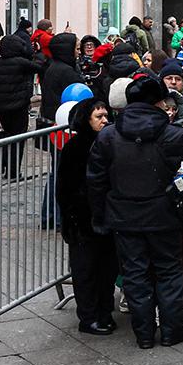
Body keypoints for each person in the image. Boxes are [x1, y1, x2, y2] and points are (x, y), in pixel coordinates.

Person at [87, 75, 183, 348]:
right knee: (170, 269)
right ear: (158, 102)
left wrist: (100, 214)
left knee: (135, 273)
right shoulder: (171, 133)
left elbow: (96, 179)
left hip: (125, 215)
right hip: (163, 213)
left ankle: (144, 332)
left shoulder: (109, 135)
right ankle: (172, 328)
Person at [56, 98, 118, 335]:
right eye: (98, 117)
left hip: (107, 217)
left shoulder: (111, 143)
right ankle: (89, 316)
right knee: (86, 270)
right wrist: (72, 219)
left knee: (107, 269)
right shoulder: (75, 148)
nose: (104, 120)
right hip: (83, 220)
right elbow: (64, 187)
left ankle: (104, 311)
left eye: (105, 116)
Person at [0, 33, 43, 178]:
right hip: (18, 107)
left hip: (2, 108)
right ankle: (12, 172)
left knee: (8, 135)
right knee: (18, 139)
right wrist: (37, 53)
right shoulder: (20, 62)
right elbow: (39, 67)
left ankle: (1, 161)